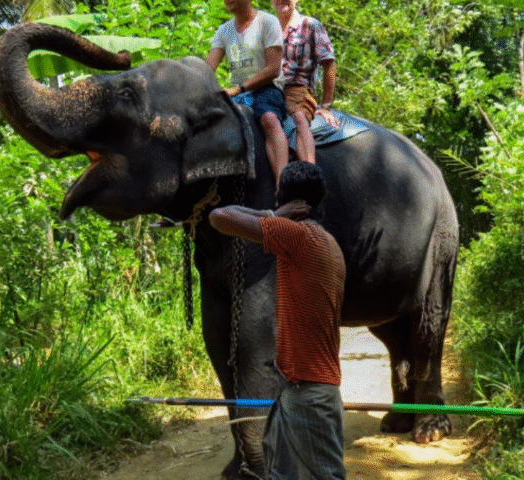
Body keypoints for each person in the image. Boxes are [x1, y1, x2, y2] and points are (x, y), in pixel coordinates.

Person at [209, 162, 346, 480]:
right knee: (280, 474)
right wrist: (275, 214)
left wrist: (273, 214)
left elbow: (220, 216)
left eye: (278, 190)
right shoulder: (323, 240)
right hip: (297, 388)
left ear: (285, 197)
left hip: (309, 394)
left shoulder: (298, 236)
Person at [206, 0, 289, 187]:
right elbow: (208, 68)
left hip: (267, 88)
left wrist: (239, 88)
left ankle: (283, 186)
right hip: (239, 94)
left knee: (269, 119)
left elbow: (273, 69)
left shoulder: (267, 22)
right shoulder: (224, 30)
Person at [272, 0, 340, 165]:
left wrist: (326, 106)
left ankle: (309, 171)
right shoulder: (268, 28)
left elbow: (329, 65)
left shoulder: (310, 25)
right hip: (269, 89)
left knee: (298, 119)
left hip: (298, 90)